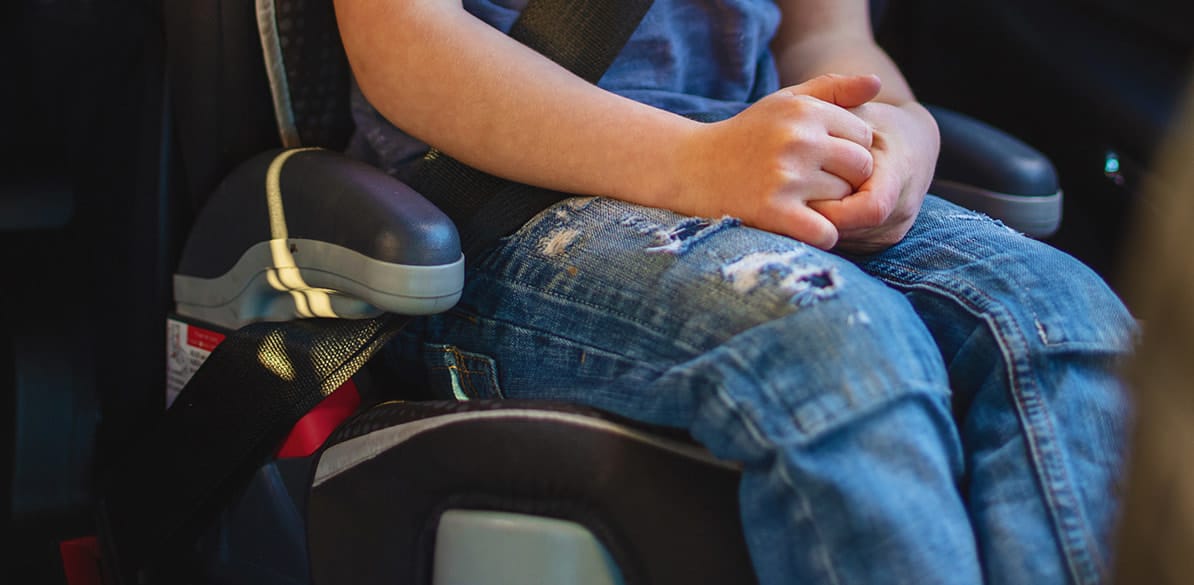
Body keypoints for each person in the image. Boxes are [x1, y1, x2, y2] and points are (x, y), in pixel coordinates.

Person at [335, 0, 1136, 583]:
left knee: (1063, 314)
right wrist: (695, 164)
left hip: (756, 164)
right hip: (507, 205)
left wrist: (896, 128)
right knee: (839, 353)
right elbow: (405, 40)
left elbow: (825, 34)